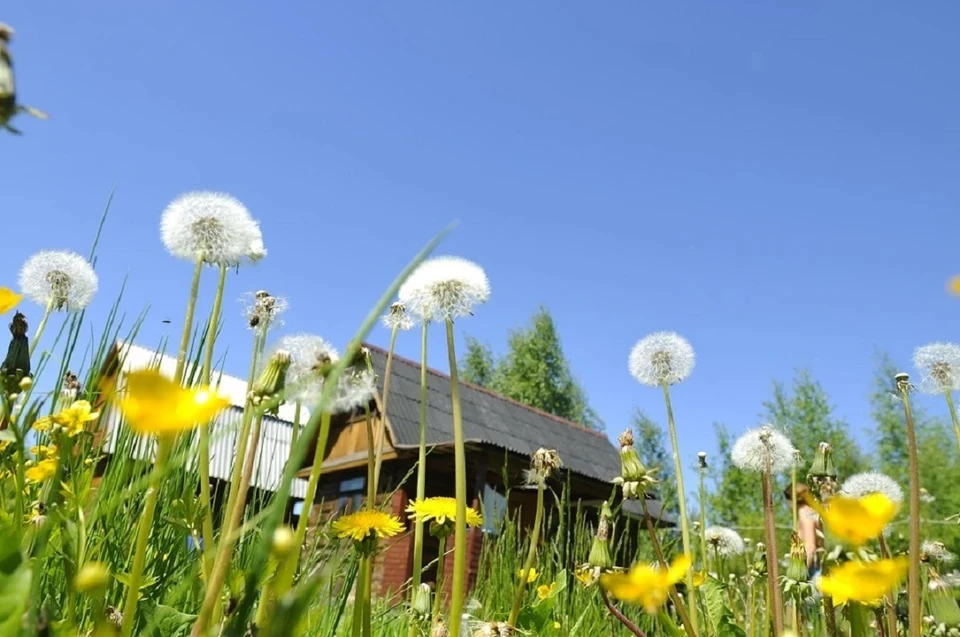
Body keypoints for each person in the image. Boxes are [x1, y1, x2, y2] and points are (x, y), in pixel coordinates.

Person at [784, 482, 820, 579]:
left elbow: (810, 547)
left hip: (813, 571)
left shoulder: (804, 512)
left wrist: (798, 576)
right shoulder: (812, 511)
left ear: (791, 500)